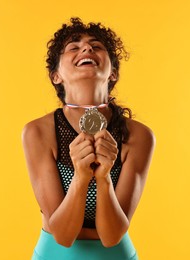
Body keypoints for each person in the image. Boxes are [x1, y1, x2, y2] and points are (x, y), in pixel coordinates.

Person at [22, 17, 155, 260]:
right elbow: (62, 235)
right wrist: (81, 177)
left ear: (113, 73)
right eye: (74, 47)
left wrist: (103, 179)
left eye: (97, 46)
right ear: (56, 76)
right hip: (55, 255)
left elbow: (112, 236)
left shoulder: (139, 135)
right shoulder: (37, 132)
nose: (86, 48)